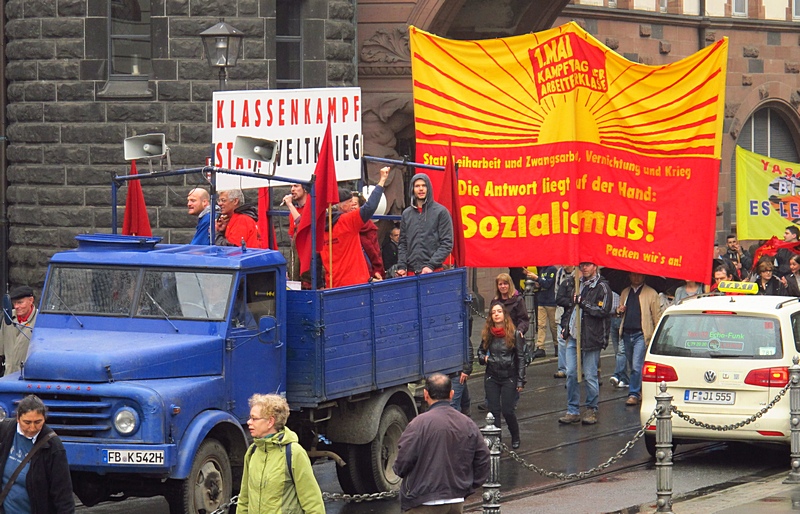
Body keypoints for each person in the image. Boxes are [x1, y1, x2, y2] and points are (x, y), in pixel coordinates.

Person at [393, 373, 490, 513]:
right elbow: (483, 458)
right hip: (455, 500)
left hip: (423, 501)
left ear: (426, 394)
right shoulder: (467, 423)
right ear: (451, 394)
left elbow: (403, 460)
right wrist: (467, 486)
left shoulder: (419, 424)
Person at [238, 393, 324, 514]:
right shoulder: (253, 452)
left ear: (270, 422)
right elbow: (244, 499)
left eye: (254, 418)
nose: (248, 422)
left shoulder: (294, 453)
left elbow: (312, 501)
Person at [0, 394, 74, 514]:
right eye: (27, 422)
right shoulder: (6, 430)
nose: (32, 428)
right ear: (18, 418)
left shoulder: (53, 447)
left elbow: (63, 496)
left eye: (38, 422)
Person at [558, 262, 612, 425]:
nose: (584, 268)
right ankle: (572, 409)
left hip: (590, 338)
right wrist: (566, 328)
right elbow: (570, 309)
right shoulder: (576, 284)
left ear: (595, 266)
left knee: (589, 375)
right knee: (571, 373)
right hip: (574, 337)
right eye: (582, 265)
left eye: (588, 265)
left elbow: (603, 310)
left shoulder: (602, 287)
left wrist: (583, 303)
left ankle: (591, 408)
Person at [321, 166, 390, 288]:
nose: (352, 206)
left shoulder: (319, 227)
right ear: (342, 206)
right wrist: (382, 181)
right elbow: (370, 207)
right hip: (355, 285)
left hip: (332, 286)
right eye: (350, 203)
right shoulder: (347, 221)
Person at [478, 303, 525, 448]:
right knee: (494, 411)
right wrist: (485, 358)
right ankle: (497, 440)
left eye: (499, 311)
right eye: (493, 312)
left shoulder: (514, 333)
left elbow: (521, 358)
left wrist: (520, 381)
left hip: (508, 376)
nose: (496, 314)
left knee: (507, 410)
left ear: (504, 315)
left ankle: (515, 436)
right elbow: (480, 352)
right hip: (492, 376)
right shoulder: (488, 334)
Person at [617, 273, 663, 406]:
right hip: (627, 332)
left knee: (637, 365)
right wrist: (619, 310)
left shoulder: (651, 293)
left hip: (641, 334)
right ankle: (641, 388)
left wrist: (656, 336)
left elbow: (656, 316)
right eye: (633, 275)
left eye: (639, 275)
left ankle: (633, 393)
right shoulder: (625, 292)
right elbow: (619, 313)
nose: (636, 278)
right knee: (632, 364)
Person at [396, 173, 454, 276]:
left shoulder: (441, 212)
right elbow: (402, 243)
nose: (421, 189)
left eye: (424, 185)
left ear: (429, 188)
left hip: (433, 272)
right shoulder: (406, 214)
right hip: (410, 273)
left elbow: (447, 243)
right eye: (417, 186)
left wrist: (430, 265)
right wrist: (401, 266)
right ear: (412, 189)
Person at [0, 286, 38, 376]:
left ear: (31, 300)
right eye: (14, 303)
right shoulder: (7, 317)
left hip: (28, 378)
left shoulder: (40, 320)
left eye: (20, 303)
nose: (16, 306)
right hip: (7, 376)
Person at [526, 266, 557, 359]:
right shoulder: (542, 270)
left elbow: (547, 283)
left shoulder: (552, 269)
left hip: (551, 301)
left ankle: (557, 345)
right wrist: (537, 283)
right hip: (541, 300)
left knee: (553, 325)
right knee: (541, 325)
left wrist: (537, 278)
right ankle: (540, 346)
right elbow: (542, 283)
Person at [283, 183, 310, 281]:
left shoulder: (311, 207)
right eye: (291, 187)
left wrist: (290, 205)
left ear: (305, 189)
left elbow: (303, 224)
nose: (292, 190)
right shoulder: (294, 211)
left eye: (296, 186)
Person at [554, 265, 577, 379]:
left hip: (576, 314)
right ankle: (562, 369)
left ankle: (575, 368)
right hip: (562, 312)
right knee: (562, 340)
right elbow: (557, 295)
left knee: (575, 342)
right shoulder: (560, 274)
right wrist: (570, 302)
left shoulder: (578, 273)